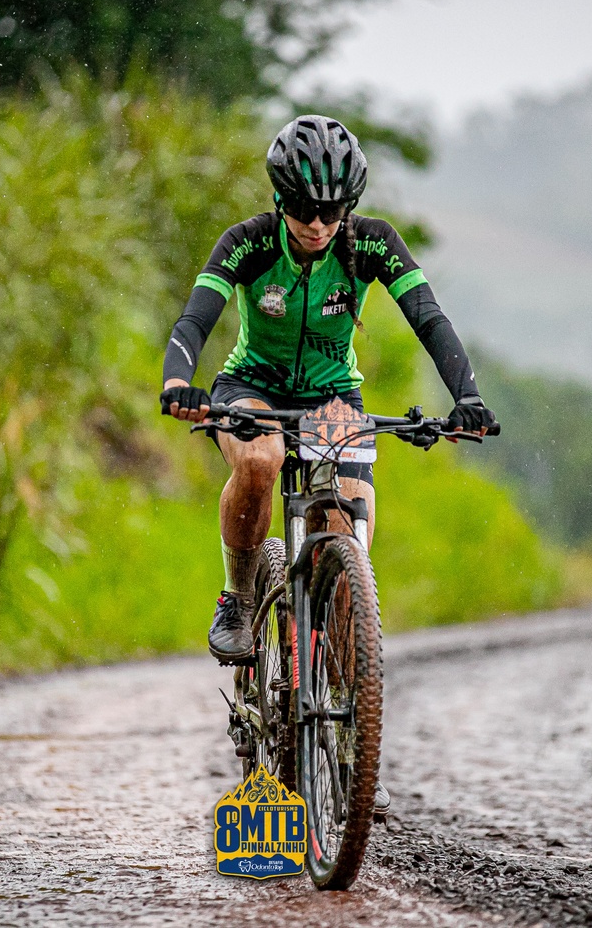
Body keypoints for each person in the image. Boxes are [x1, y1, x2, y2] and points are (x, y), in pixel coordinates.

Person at [160, 115, 495, 816]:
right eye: (303, 209)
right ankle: (241, 597)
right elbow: (195, 319)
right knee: (261, 459)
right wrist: (178, 382)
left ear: (349, 206)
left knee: (347, 544)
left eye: (331, 211)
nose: (317, 224)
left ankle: (348, 737)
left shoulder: (371, 242)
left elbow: (429, 318)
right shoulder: (249, 241)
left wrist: (466, 396)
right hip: (250, 388)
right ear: (280, 200)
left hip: (333, 399)